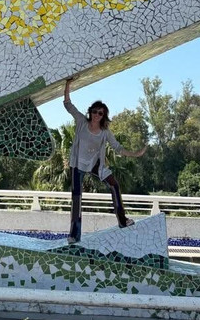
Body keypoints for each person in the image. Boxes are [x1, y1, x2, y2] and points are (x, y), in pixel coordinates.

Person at [63, 77, 147, 244]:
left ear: (103, 116)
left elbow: (117, 147)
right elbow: (68, 104)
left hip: (95, 164)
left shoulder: (105, 132)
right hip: (77, 164)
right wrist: (68, 84)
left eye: (100, 113)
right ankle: (74, 235)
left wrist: (135, 154)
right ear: (90, 112)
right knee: (77, 198)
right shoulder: (81, 121)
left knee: (114, 184)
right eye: (94, 111)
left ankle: (122, 221)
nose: (96, 115)